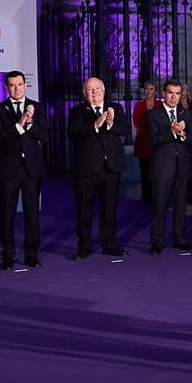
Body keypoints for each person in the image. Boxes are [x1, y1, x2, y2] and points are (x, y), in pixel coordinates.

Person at [68, 77, 130, 259]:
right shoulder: (77, 112)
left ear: (103, 91)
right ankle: (84, 246)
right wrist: (95, 126)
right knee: (84, 210)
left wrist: (110, 124)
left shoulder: (116, 109)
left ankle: (109, 244)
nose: (93, 93)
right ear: (84, 93)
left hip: (110, 168)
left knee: (109, 209)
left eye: (96, 89)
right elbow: (72, 132)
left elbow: (125, 130)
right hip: (86, 170)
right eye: (89, 90)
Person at [0, 70, 48, 270]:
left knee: (32, 214)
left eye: (19, 84)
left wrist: (30, 124)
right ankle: (7, 256)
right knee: (7, 214)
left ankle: (31, 255)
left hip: (32, 170)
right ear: (7, 87)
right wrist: (19, 124)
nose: (16, 88)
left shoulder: (38, 108)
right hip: (8, 170)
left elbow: (45, 136)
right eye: (12, 85)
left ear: (25, 85)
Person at [147, 79, 192, 255]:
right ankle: (156, 242)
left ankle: (180, 239)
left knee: (181, 205)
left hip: (182, 167)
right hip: (162, 168)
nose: (174, 97)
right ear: (164, 94)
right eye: (171, 93)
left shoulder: (185, 113)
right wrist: (172, 132)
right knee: (160, 206)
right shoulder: (154, 114)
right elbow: (153, 140)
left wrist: (182, 134)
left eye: (178, 93)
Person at [132, 81, 160, 206]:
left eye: (151, 89)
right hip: (143, 142)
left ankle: (157, 195)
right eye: (146, 89)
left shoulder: (160, 105)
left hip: (157, 143)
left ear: (155, 91)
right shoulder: (139, 105)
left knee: (157, 171)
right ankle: (147, 197)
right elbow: (137, 122)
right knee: (144, 171)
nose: (148, 91)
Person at [177, 83, 192, 204]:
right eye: (180, 90)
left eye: (184, 90)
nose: (182, 92)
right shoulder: (176, 105)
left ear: (188, 92)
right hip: (179, 138)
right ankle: (181, 193)